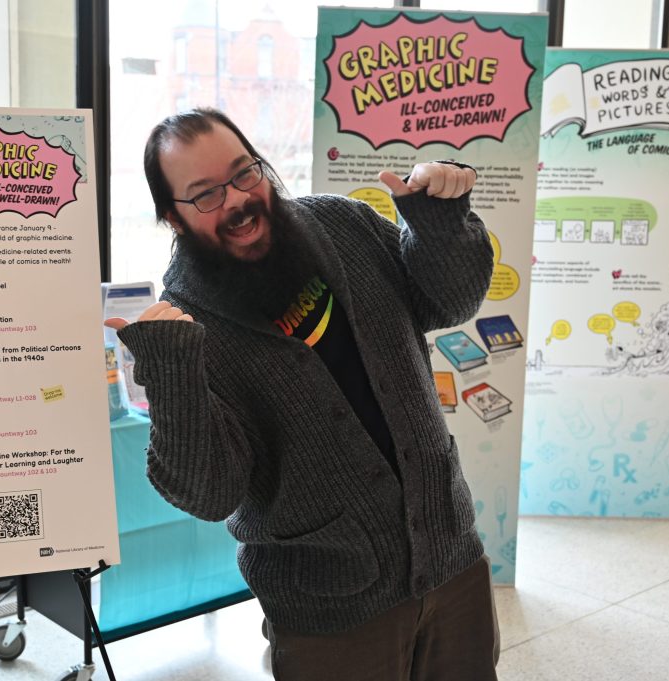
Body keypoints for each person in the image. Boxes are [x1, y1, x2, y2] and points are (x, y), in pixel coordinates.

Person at [105, 108, 499, 681]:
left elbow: (451, 301)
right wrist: (170, 373)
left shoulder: (343, 225)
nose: (238, 199)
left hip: (450, 553)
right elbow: (209, 492)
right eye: (205, 194)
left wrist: (438, 220)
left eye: (244, 173)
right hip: (331, 607)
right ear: (173, 217)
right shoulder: (185, 325)